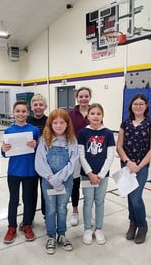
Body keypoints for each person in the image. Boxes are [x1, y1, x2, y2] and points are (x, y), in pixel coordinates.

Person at [116, 93, 151, 244]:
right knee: (129, 196)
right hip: (126, 165)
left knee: (136, 198)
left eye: (141, 104)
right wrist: (128, 162)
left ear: (146, 106)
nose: (138, 106)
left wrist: (139, 166)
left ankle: (142, 225)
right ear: (131, 106)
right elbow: (119, 146)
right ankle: (132, 222)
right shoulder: (125, 124)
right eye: (135, 104)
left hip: (142, 166)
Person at [35, 108, 79, 255]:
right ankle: (51, 236)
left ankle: (62, 234)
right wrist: (51, 178)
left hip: (66, 182)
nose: (59, 125)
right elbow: (40, 162)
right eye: (55, 122)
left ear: (67, 124)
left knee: (61, 208)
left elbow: (73, 162)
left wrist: (59, 178)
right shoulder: (44, 140)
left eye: (62, 122)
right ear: (50, 124)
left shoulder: (72, 141)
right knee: (51, 209)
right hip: (48, 181)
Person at [1, 100, 40, 244]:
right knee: (14, 200)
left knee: (28, 200)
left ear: (28, 113)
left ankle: (27, 225)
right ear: (13, 113)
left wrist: (36, 146)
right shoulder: (8, 131)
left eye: (23, 111)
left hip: (30, 171)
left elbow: (40, 151)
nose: (20, 114)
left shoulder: (34, 130)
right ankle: (11, 226)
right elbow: (5, 153)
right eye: (18, 111)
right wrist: (3, 150)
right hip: (14, 172)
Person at [77, 103, 115, 245]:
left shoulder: (108, 133)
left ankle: (98, 228)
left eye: (98, 114)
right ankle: (87, 228)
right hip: (87, 175)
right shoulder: (82, 133)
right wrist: (90, 173)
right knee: (88, 202)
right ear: (88, 116)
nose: (95, 116)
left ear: (102, 116)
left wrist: (100, 174)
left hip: (102, 177)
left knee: (99, 202)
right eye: (93, 113)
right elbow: (81, 155)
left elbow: (110, 156)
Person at [68, 86, 91, 226]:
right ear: (77, 98)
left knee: (89, 184)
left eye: (86, 96)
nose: (83, 98)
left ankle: (88, 212)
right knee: (75, 184)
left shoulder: (94, 112)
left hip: (91, 155)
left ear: (90, 97)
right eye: (81, 96)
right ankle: (75, 211)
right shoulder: (70, 114)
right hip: (75, 155)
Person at [26, 93, 48, 223]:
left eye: (41, 104)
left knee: (45, 191)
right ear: (31, 107)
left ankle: (47, 216)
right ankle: (29, 218)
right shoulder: (27, 120)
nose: (38, 107)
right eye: (35, 105)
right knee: (31, 193)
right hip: (30, 162)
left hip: (45, 162)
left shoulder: (49, 121)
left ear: (45, 106)